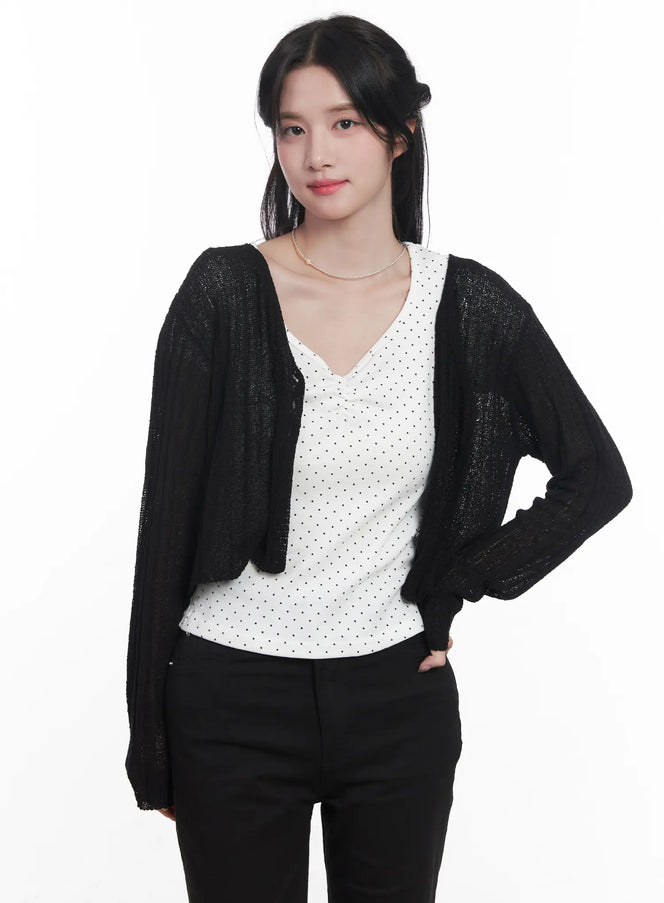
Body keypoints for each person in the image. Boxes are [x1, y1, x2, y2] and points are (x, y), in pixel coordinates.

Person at [124, 13, 632, 903]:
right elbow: (162, 529)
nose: (316, 153)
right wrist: (149, 739)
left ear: (400, 132)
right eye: (292, 128)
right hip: (229, 696)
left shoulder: (470, 307)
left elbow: (597, 477)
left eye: (345, 122)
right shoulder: (222, 293)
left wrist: (457, 580)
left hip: (397, 702)